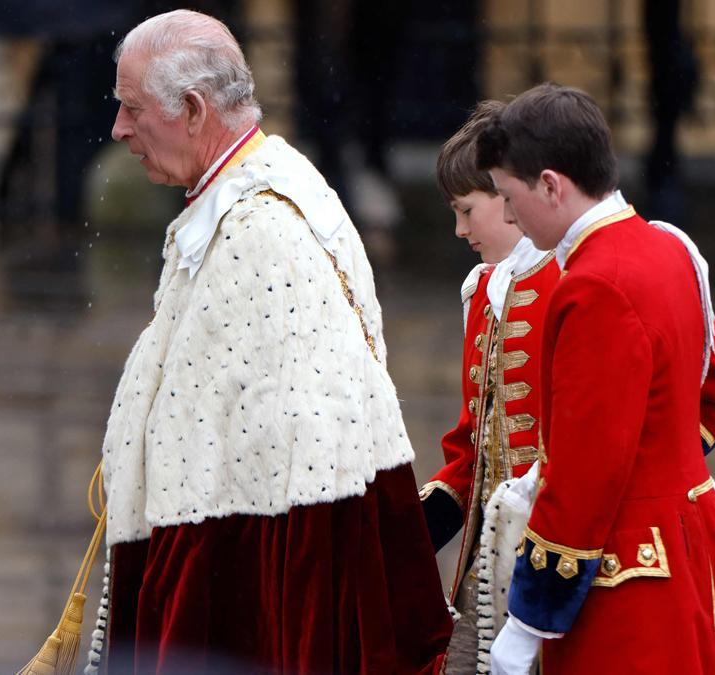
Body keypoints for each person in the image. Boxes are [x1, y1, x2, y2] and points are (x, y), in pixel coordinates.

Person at [97, 10, 451, 674]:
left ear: (195, 110)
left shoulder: (264, 228)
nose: (119, 129)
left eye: (132, 108)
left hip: (244, 582)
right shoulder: (254, 183)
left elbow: (294, 462)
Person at [476, 83, 715, 674]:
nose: (508, 215)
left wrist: (531, 618)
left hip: (630, 581)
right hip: (694, 553)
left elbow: (585, 476)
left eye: (510, 197)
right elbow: (711, 393)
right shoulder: (667, 248)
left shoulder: (596, 286)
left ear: (550, 184)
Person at [419, 100, 562, 672]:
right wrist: (406, 536)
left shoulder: (577, 272)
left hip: (564, 551)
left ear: (509, 198)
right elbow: (473, 449)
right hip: (487, 562)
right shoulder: (482, 291)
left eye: (466, 210)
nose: (458, 229)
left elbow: (714, 394)